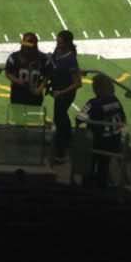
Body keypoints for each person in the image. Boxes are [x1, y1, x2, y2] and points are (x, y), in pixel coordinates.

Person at [80, 72, 127, 188]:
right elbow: (123, 119)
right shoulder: (116, 101)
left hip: (98, 142)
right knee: (103, 167)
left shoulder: (93, 103)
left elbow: (79, 119)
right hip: (114, 141)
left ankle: (87, 186)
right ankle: (102, 186)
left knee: (89, 164)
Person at [48, 30, 83, 164]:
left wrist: (61, 92)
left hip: (65, 94)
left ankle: (62, 149)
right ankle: (66, 142)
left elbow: (77, 83)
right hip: (58, 91)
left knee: (60, 117)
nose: (57, 43)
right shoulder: (58, 51)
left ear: (67, 43)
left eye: (60, 41)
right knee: (60, 117)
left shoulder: (70, 59)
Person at [4, 31, 51, 123]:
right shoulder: (14, 57)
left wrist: (40, 89)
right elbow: (8, 73)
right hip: (18, 93)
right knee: (18, 119)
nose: (25, 48)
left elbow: (47, 75)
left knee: (33, 120)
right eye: (24, 45)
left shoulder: (43, 58)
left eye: (28, 46)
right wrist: (17, 81)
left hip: (35, 94)